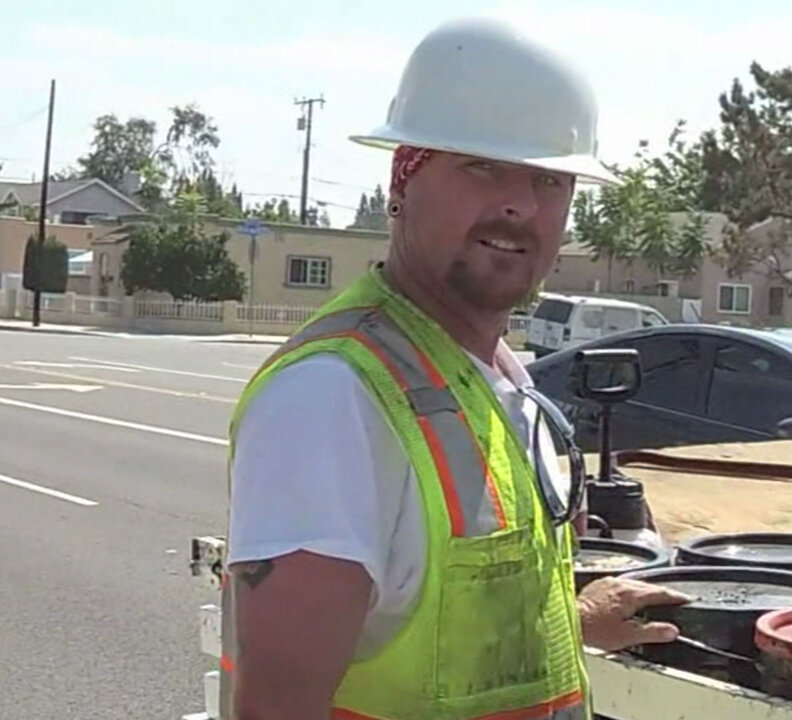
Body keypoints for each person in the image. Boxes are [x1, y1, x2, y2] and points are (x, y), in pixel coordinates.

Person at [219, 16, 690, 720]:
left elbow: (442, 632)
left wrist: (577, 620)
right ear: (403, 180)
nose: (517, 203)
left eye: (547, 179)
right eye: (481, 166)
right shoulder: (331, 398)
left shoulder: (497, 377)